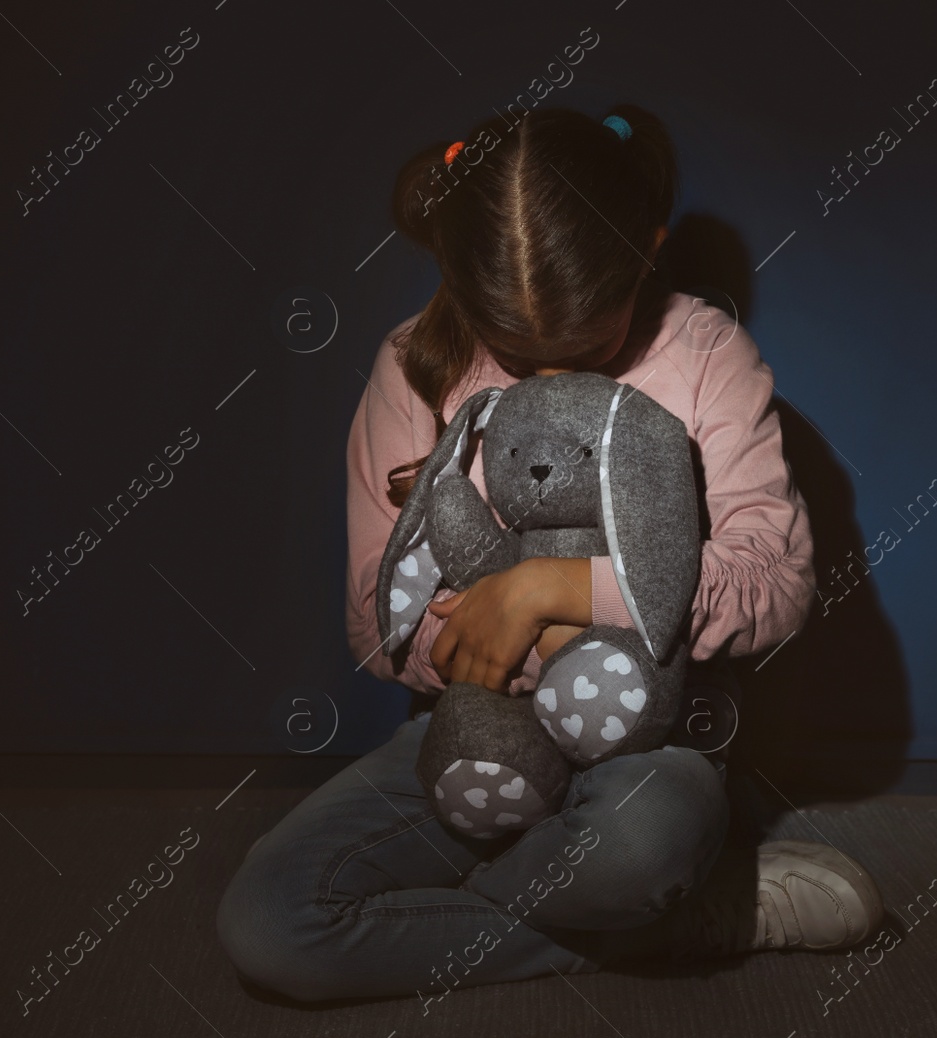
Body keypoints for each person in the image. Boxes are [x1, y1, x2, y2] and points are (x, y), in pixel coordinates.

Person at [216, 104, 884, 1005]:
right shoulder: (413, 363)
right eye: (515, 351)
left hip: (648, 744)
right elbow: (376, 627)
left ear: (647, 250)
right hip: (475, 738)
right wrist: (516, 645)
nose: (550, 379)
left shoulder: (701, 352)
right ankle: (673, 924)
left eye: (591, 344)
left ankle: (579, 896)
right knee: (268, 923)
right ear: (460, 281)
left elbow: (777, 582)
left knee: (636, 844)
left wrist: (546, 593)